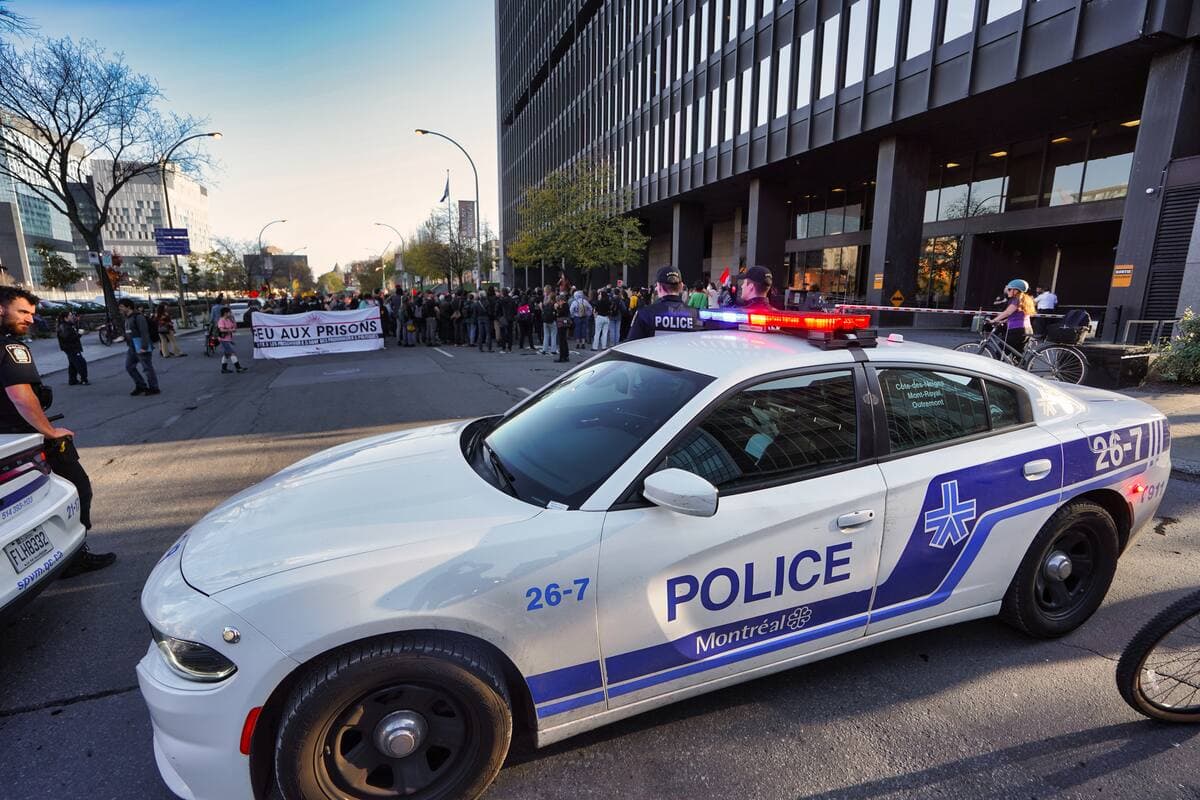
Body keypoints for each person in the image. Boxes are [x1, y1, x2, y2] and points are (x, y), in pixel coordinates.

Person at [0, 287, 114, 575]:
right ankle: (74, 556)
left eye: (32, 314)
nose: (29, 319)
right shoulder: (11, 347)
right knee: (77, 490)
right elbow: (21, 396)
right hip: (24, 438)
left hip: (6, 442)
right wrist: (50, 432)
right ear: (1, 309)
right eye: (22, 312)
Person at [624, 266, 700, 341]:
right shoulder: (696, 315)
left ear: (658, 287)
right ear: (681, 287)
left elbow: (631, 345)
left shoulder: (644, 314)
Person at [118, 299, 159, 396]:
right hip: (132, 346)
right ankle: (141, 385)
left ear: (128, 307)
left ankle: (154, 388)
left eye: (122, 306)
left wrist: (144, 347)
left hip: (140, 345)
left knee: (147, 368)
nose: (120, 308)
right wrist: (124, 337)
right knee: (129, 367)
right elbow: (130, 331)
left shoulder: (138, 317)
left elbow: (144, 332)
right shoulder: (127, 318)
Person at [991, 279, 1036, 354]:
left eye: (1009, 289)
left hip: (1016, 331)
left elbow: (1008, 312)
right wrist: (1002, 321)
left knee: (999, 353)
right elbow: (1018, 316)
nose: (1007, 291)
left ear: (1016, 290)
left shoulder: (1017, 300)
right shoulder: (1025, 299)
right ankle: (1024, 365)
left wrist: (994, 320)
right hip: (1027, 329)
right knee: (1017, 355)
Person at [57, 310, 88, 386]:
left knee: (73, 364)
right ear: (66, 318)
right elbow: (68, 338)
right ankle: (84, 379)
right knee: (80, 363)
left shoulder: (69, 325)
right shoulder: (64, 326)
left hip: (71, 347)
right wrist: (79, 334)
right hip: (71, 348)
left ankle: (72, 380)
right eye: (70, 315)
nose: (72, 317)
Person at [217, 306, 248, 373]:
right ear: (225, 313)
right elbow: (221, 330)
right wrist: (230, 330)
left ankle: (224, 369)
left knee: (226, 355)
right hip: (223, 340)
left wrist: (233, 319)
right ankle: (238, 368)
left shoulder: (229, 319)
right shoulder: (221, 320)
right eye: (229, 312)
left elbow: (234, 327)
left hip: (228, 339)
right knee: (232, 353)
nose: (230, 313)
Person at [554, 293, 572, 362]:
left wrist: (557, 308)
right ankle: (566, 355)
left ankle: (562, 357)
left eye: (558, 301)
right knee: (564, 340)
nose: (558, 303)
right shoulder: (566, 305)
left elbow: (560, 313)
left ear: (561, 300)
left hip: (562, 324)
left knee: (562, 340)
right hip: (564, 323)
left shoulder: (564, 305)